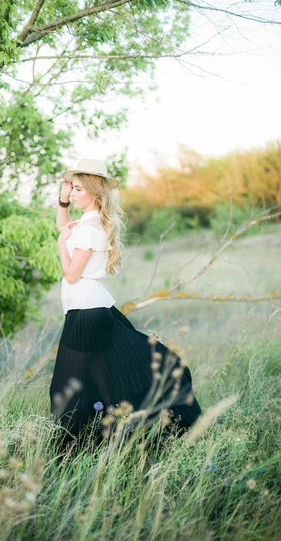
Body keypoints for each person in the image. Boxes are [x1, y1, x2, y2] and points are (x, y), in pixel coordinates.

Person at [49, 158, 202, 449]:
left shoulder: (92, 228)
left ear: (93, 193)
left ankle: (70, 450)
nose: (73, 193)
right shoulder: (86, 222)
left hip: (87, 312)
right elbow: (63, 225)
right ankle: (99, 445)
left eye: (78, 189)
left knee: (68, 387)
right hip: (85, 309)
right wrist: (63, 198)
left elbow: (70, 275)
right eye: (72, 188)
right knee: (92, 382)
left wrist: (59, 244)